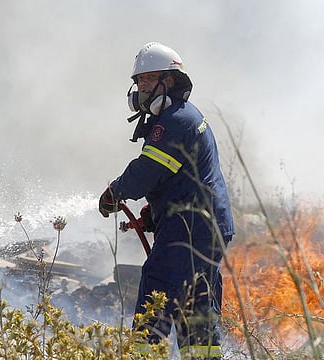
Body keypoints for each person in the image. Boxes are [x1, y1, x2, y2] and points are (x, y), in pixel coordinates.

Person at [99, 42, 234, 360]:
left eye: (148, 80)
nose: (141, 87)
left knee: (156, 291)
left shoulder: (173, 122)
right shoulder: (186, 116)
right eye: (138, 82)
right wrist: (156, 212)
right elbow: (181, 177)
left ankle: (145, 355)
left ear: (169, 81)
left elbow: (148, 170)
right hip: (205, 227)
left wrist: (114, 193)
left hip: (188, 231)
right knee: (196, 305)